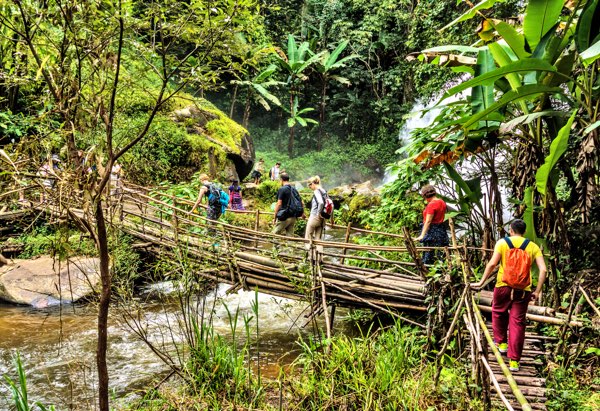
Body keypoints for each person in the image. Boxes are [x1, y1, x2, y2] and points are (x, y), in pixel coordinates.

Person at [470, 219, 547, 372]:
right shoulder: (533, 247)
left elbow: (492, 264)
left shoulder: (502, 243)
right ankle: (514, 362)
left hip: (503, 286)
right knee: (517, 323)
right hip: (523, 290)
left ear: (511, 230)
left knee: (498, 312)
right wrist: (537, 291)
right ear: (524, 232)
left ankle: (502, 344)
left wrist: (480, 282)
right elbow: (543, 270)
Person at [414, 184, 449, 264]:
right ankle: (440, 273)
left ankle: (428, 274)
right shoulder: (442, 202)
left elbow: (428, 221)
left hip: (432, 232)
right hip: (441, 230)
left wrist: (422, 235)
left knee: (429, 254)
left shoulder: (432, 204)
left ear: (425, 195)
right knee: (439, 253)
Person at [305, 176, 326, 244]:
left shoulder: (316, 191)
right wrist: (331, 219)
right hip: (322, 218)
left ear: (312, 184)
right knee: (318, 240)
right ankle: (319, 254)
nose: (310, 188)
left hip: (315, 217)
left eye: (309, 186)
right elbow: (331, 204)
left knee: (308, 238)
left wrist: (318, 214)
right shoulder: (324, 191)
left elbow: (321, 202)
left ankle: (309, 254)